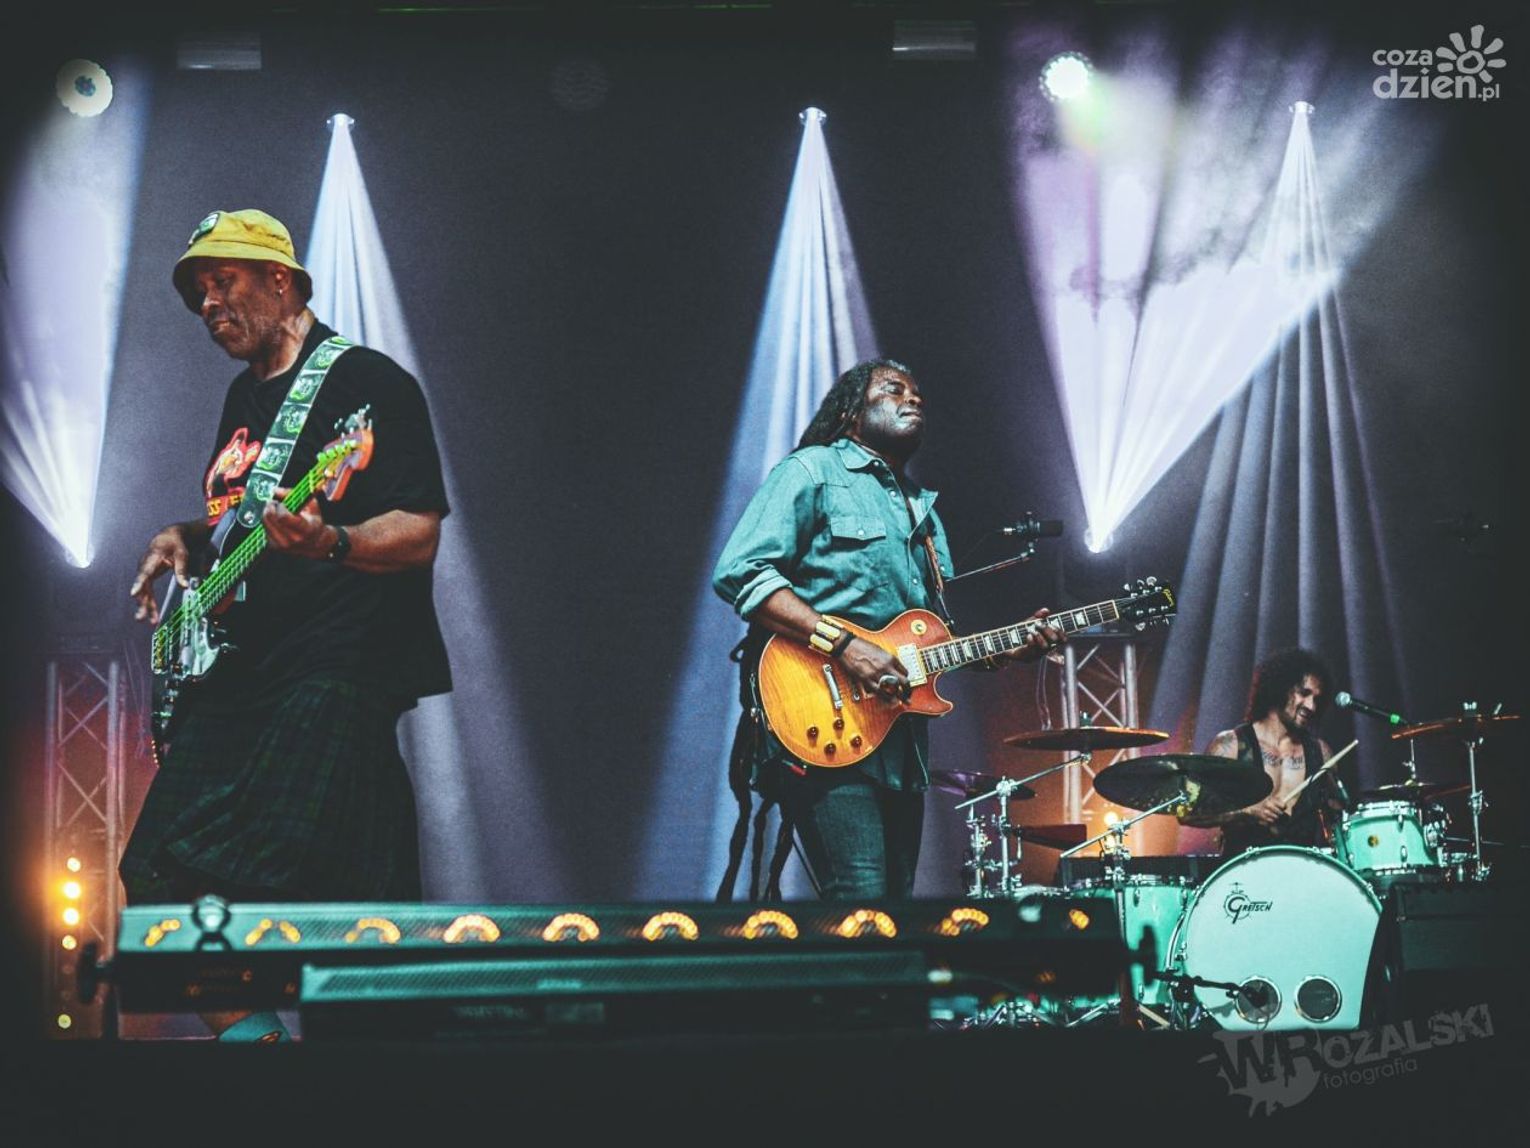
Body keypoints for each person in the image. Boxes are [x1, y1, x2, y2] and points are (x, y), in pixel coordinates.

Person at [119, 209, 451, 1038]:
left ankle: (360, 1058)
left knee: (300, 869)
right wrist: (187, 536)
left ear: (282, 280)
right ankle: (266, 1052)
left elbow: (418, 530)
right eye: (198, 292)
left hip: (335, 662)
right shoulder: (242, 398)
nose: (207, 303)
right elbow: (238, 527)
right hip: (243, 674)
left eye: (222, 281)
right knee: (152, 872)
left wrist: (333, 541)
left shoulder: (369, 385)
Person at [712, 358, 1061, 899]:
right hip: (820, 717)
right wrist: (845, 646)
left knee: (895, 905)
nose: (912, 399)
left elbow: (929, 639)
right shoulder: (812, 471)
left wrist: (1010, 650)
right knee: (862, 898)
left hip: (898, 741)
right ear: (853, 411)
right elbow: (741, 571)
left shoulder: (922, 509)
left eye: (917, 393)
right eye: (894, 390)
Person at [1198, 646, 1346, 856]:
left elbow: (1338, 821)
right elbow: (1190, 812)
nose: (1311, 706)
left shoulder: (1320, 752)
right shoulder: (1231, 745)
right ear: (1280, 687)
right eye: (1304, 693)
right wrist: (1247, 812)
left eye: (1316, 699)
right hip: (1244, 870)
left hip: (1301, 870)